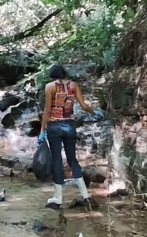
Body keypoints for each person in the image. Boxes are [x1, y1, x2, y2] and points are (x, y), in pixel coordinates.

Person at [38, 65, 103, 209]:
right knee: (72, 160)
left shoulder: (49, 87)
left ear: (52, 75)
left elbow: (47, 110)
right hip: (69, 125)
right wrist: (95, 113)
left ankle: (58, 198)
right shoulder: (73, 85)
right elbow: (84, 106)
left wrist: (42, 130)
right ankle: (85, 196)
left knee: (56, 161)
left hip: (54, 126)